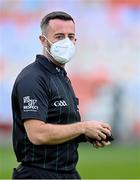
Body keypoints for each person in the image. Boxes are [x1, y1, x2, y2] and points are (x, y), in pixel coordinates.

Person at [11, 11, 112, 179]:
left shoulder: (60, 76)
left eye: (70, 36)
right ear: (43, 40)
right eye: (59, 36)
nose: (66, 42)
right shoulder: (32, 78)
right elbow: (37, 134)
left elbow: (58, 124)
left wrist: (86, 134)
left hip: (67, 173)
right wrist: (83, 127)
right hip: (39, 174)